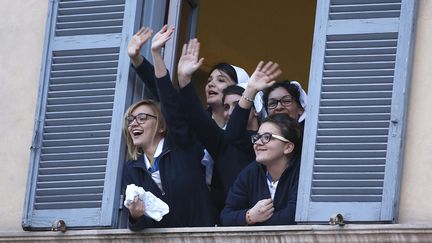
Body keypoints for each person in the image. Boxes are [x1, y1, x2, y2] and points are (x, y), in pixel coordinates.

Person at [122, 26, 216, 230]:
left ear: (162, 125)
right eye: (131, 120)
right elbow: (141, 226)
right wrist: (135, 217)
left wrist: (155, 54)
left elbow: (170, 102)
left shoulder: (183, 146)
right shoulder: (133, 168)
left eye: (142, 117)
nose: (134, 123)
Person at [175, 38, 282, 216]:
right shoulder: (223, 144)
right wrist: (184, 80)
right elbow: (200, 119)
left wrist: (249, 92)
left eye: (238, 105)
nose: (231, 112)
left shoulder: (274, 142)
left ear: (255, 109)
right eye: (226, 107)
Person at [220, 113, 302, 226]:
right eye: (257, 137)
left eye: (266, 137)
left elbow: (292, 216)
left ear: (288, 147)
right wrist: (249, 216)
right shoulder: (250, 172)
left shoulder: (302, 172)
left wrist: (255, 223)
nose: (257, 143)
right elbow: (226, 216)